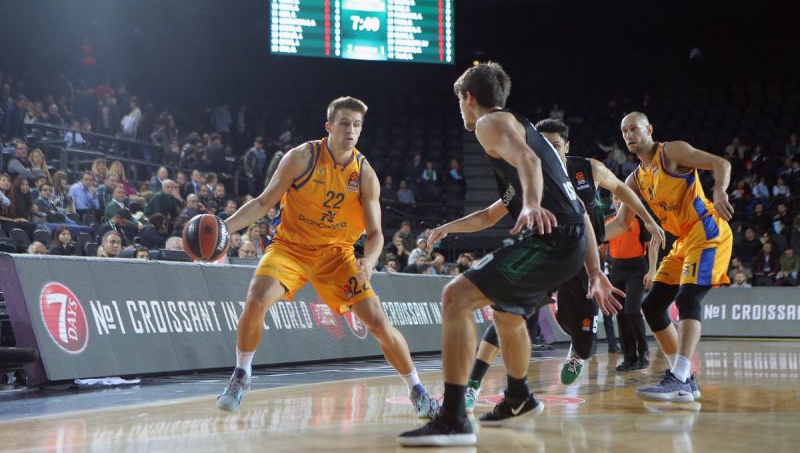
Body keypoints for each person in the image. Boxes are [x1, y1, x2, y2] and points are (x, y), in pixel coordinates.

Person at [398, 63, 621, 446]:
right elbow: (575, 210)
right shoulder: (524, 131)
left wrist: (531, 204)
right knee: (506, 312)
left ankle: (453, 419)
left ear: (469, 98)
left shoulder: (491, 123)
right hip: (570, 239)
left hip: (552, 238)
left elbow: (529, 164)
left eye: (460, 102)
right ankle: (518, 397)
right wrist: (594, 270)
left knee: (455, 297)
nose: (461, 109)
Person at [217, 96, 437, 419]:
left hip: (337, 256)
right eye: (345, 123)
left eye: (357, 125)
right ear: (329, 126)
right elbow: (264, 203)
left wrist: (369, 262)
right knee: (255, 301)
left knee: (378, 322)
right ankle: (241, 375)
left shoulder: (365, 174)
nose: (351, 130)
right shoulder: (301, 157)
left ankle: (417, 390)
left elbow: (376, 234)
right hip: (290, 248)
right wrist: (224, 227)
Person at [462, 118, 662, 407]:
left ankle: (577, 352)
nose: (549, 151)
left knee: (585, 345)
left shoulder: (589, 169)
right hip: (545, 254)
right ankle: (472, 384)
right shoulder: (526, 175)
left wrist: (647, 218)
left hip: (583, 257)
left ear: (567, 146)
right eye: (543, 145)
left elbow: (620, 189)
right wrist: (448, 228)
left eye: (555, 145)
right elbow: (490, 214)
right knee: (506, 312)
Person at [614, 112, 733, 403]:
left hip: (707, 229)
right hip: (683, 241)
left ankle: (678, 376)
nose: (629, 135)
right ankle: (685, 381)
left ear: (649, 129)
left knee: (688, 297)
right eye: (624, 131)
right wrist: (582, 233)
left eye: (634, 128)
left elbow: (721, 163)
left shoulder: (671, 152)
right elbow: (620, 223)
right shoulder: (634, 179)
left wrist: (719, 190)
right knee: (652, 306)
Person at [605, 193, 658, 372]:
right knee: (620, 314)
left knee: (632, 310)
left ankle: (643, 353)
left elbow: (651, 245)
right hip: (616, 269)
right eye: (615, 198)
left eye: (621, 198)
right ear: (612, 201)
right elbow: (601, 248)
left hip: (637, 268)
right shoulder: (608, 221)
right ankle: (629, 357)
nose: (618, 201)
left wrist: (652, 270)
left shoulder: (638, 219)